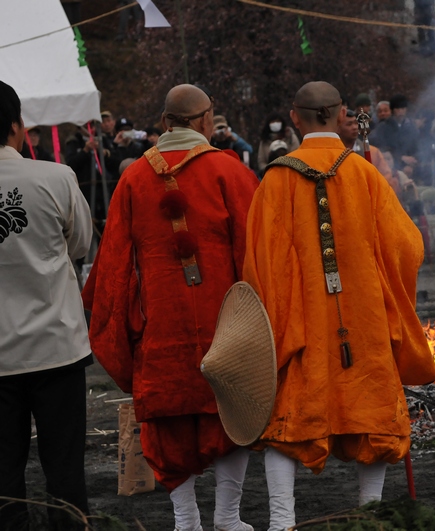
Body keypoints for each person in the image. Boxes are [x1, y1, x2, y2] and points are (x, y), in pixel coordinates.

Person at [244, 81, 435, 530]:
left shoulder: (275, 179)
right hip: (366, 314)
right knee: (372, 410)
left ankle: (281, 522)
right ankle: (369, 514)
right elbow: (408, 246)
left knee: (289, 418)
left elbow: (259, 261)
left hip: (302, 320)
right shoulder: (364, 173)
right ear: (340, 114)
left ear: (296, 117)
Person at [82, 84, 258, 531]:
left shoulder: (133, 179)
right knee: (230, 411)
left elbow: (114, 264)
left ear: (164, 124)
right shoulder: (230, 171)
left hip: (160, 324)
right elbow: (255, 252)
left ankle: (185, 520)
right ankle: (228, 517)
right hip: (226, 323)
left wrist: (115, 326)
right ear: (205, 121)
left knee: (167, 419)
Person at [0, 80, 92, 530]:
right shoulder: (56, 177)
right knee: (65, 473)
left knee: (2, 480)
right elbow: (80, 245)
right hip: (57, 347)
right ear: (18, 127)